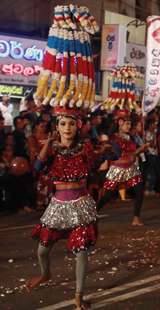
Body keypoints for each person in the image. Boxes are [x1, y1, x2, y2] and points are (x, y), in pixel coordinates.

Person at [26, 106, 109, 309]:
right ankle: (46, 274)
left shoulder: (85, 148)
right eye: (63, 123)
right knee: (42, 250)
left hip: (81, 205)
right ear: (57, 127)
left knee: (81, 252)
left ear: (77, 126)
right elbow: (37, 168)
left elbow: (99, 163)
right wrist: (49, 143)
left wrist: (108, 152)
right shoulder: (51, 150)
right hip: (58, 206)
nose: (67, 127)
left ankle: (78, 296)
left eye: (72, 123)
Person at [96, 110, 149, 226]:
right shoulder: (113, 139)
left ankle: (136, 218)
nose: (129, 126)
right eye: (127, 124)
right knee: (107, 195)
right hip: (117, 169)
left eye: (130, 124)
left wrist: (140, 150)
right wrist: (140, 150)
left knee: (139, 191)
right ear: (120, 123)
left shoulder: (130, 137)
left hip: (130, 168)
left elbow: (132, 155)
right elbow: (120, 154)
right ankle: (93, 213)